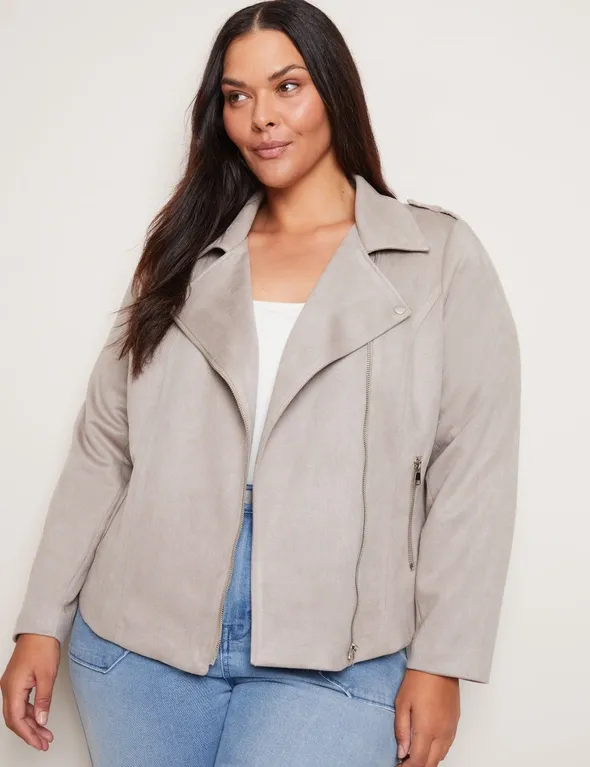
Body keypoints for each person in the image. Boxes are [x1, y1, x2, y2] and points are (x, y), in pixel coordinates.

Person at [0, 1, 521, 765]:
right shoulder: (184, 252)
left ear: (334, 90)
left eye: (288, 86)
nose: (261, 117)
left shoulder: (437, 257)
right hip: (138, 642)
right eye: (237, 96)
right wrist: (40, 620)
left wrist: (442, 659)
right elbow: (105, 445)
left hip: (338, 653)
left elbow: (473, 470)